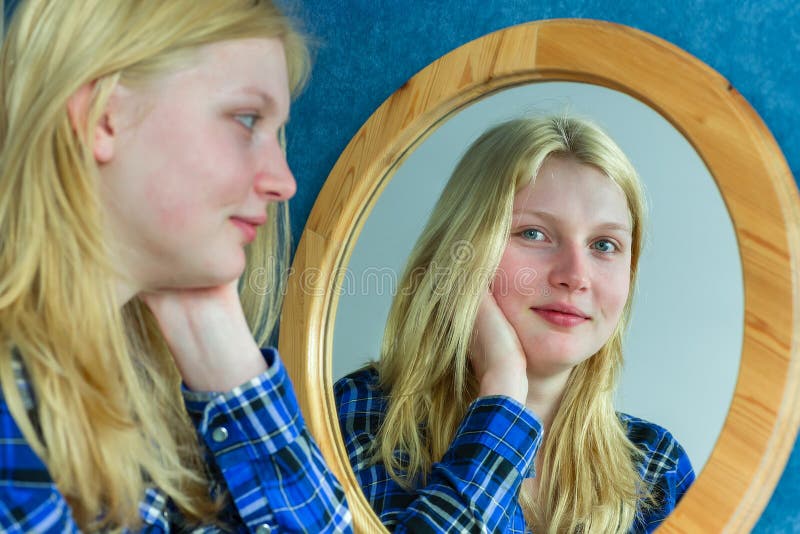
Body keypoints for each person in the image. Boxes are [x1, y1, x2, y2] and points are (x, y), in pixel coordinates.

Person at [0, 1, 351, 532]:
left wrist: (212, 332)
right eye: (247, 119)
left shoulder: (133, 395)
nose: (284, 182)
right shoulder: (14, 410)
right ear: (103, 116)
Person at [334, 116, 695, 533]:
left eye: (603, 245)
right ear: (463, 254)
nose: (575, 275)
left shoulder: (658, 469)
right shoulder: (365, 417)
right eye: (534, 234)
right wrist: (502, 393)